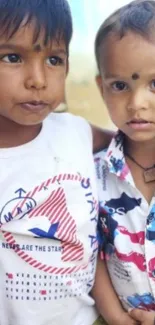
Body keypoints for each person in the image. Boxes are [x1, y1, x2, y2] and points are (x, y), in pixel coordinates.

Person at [0, 0, 112, 324]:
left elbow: (133, 146)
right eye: (13, 57)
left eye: (53, 59)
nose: (38, 79)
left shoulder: (76, 131)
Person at [92, 0, 155, 324]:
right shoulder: (92, 172)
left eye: (154, 85)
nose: (137, 103)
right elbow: (93, 252)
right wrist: (115, 316)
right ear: (102, 88)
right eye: (120, 86)